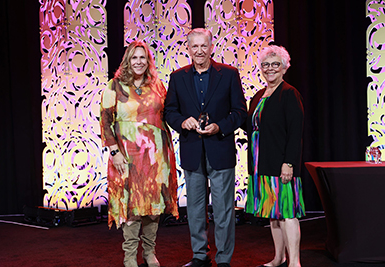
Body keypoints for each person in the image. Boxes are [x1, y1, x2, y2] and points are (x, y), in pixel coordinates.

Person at [164, 28, 247, 267]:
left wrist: (219, 127)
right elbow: (170, 111)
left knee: (223, 210)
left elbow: (240, 112)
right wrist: (182, 122)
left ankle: (223, 259)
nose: (199, 51)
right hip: (192, 151)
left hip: (219, 149)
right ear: (187, 49)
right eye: (194, 46)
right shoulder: (177, 77)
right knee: (196, 209)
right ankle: (200, 255)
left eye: (204, 46)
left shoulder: (229, 74)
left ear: (211, 47)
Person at [100, 40, 178, 267]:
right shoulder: (114, 86)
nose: (139, 62)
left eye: (143, 57)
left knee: (153, 206)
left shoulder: (158, 86)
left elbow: (168, 115)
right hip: (126, 154)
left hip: (155, 156)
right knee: (132, 206)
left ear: (148, 61)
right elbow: (105, 121)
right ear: (127, 60)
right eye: (134, 57)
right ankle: (129, 255)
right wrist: (114, 151)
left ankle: (149, 252)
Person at [243, 45, 305, 267]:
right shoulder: (259, 95)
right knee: (273, 214)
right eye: (266, 65)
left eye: (275, 64)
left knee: (287, 213)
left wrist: (288, 163)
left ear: (284, 68)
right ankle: (279, 258)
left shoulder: (289, 93)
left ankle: (294, 262)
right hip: (261, 164)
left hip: (282, 165)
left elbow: (295, 131)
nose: (270, 69)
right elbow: (251, 127)